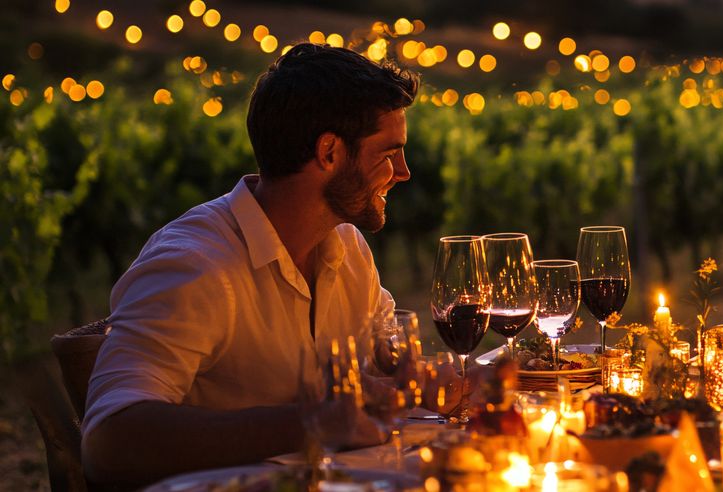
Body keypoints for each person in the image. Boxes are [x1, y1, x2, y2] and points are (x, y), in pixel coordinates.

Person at [82, 44, 453, 485]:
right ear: (329, 152)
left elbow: (383, 356)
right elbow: (109, 441)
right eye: (389, 154)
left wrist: (419, 376)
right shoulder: (197, 263)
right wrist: (311, 423)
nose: (404, 171)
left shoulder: (346, 246)